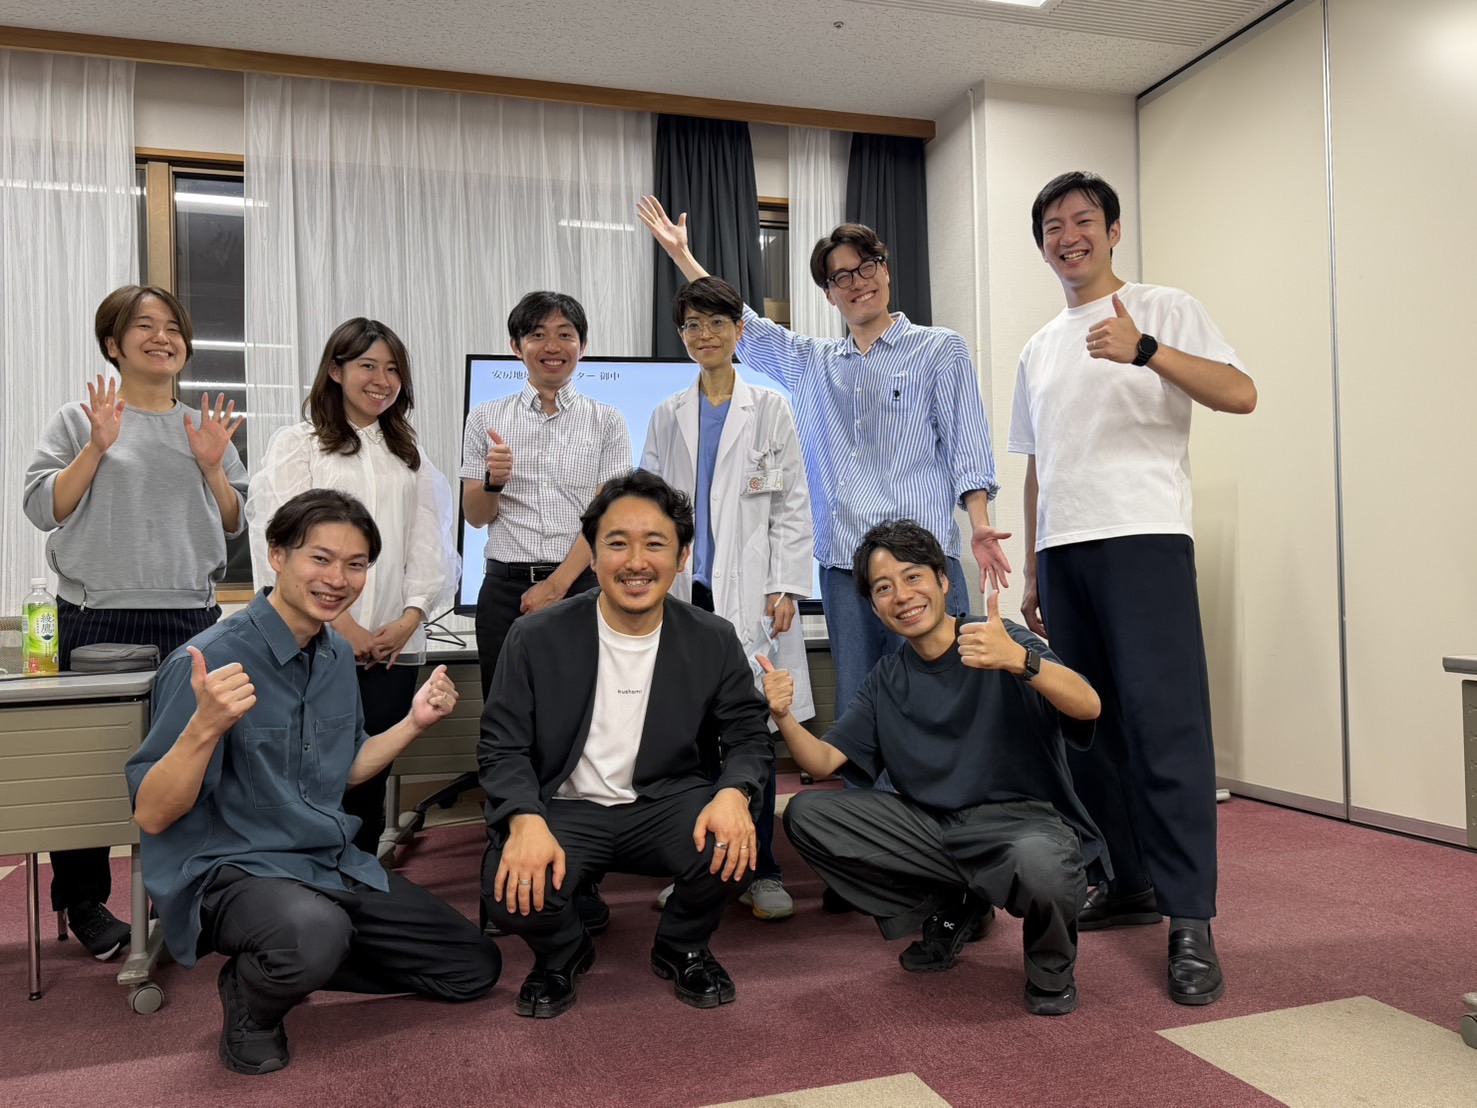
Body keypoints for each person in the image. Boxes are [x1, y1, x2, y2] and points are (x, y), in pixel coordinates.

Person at [125, 490, 501, 1076]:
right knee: (312, 935)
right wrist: (204, 728)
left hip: (322, 862)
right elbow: (152, 814)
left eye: (356, 564)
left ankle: (299, 956)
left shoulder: (333, 657)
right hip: (233, 870)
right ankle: (254, 998)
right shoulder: (209, 661)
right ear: (277, 555)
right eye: (320, 558)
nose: (338, 579)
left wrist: (414, 723)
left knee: (473, 967)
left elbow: (344, 769)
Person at [1010, 171, 1257, 1006]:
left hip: (1144, 539)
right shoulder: (1037, 348)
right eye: (1052, 225)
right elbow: (1039, 464)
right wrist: (1035, 566)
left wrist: (1145, 349)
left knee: (1165, 727)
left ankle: (1190, 918)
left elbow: (1240, 394)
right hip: (1065, 553)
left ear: (1112, 231)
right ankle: (1127, 882)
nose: (1067, 235)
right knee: (1089, 730)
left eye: (1082, 219)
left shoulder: (1163, 308)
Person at [638, 196, 1006, 719]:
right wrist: (683, 256)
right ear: (830, 295)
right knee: (861, 706)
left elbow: (967, 444)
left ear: (885, 269)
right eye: (841, 278)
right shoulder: (813, 362)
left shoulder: (940, 349)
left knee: (944, 700)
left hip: (921, 561)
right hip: (845, 567)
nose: (857, 283)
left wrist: (981, 524)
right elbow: (737, 322)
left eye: (866, 267)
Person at [760, 519, 1104, 1016]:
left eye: (912, 577)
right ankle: (950, 905)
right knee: (808, 815)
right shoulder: (886, 678)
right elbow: (822, 762)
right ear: (874, 606)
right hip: (935, 829)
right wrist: (783, 715)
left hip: (1023, 826)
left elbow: (1089, 705)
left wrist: (1020, 661)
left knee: (1043, 864)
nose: (901, 596)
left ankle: (1050, 964)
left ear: (943, 580)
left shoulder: (997, 638)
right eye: (883, 588)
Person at [478, 470, 773, 1019]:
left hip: (665, 803)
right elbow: (502, 747)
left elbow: (748, 736)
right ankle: (563, 951)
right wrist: (523, 818)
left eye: (655, 544)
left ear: (682, 557)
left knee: (733, 846)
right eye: (617, 544)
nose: (636, 562)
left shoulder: (712, 637)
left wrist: (733, 793)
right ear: (592, 556)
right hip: (565, 807)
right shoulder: (535, 637)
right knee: (506, 892)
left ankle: (682, 944)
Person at [22, 285, 247, 961]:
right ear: (113, 344)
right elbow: (43, 508)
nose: (162, 337)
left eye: (172, 326)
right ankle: (85, 901)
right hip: (96, 616)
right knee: (87, 767)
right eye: (144, 326)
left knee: (195, 762)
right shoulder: (79, 418)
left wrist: (213, 467)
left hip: (192, 617)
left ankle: (184, 895)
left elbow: (235, 522)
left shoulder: (203, 425)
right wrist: (96, 447)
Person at [247, 317, 459, 858]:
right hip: (314, 644)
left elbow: (428, 543)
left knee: (371, 772)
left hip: (391, 647)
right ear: (336, 371)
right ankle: (302, 877)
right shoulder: (300, 444)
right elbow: (280, 539)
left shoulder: (407, 452)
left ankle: (361, 876)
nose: (381, 380)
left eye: (392, 369)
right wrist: (343, 627)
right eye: (367, 365)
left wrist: (411, 618)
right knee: (310, 769)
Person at [640, 275, 814, 922]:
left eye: (717, 323)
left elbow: (792, 503)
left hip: (752, 593)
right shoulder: (666, 415)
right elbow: (652, 509)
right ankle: (698, 870)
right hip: (687, 593)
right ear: (681, 334)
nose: (704, 335)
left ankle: (761, 869)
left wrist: (785, 584)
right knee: (689, 740)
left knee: (749, 732)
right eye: (692, 325)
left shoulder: (770, 409)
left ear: (740, 331)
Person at [460, 291, 633, 931]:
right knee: (506, 729)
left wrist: (559, 585)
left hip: (580, 586)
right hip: (505, 588)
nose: (552, 346)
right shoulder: (488, 418)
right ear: (516, 347)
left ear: (582, 345)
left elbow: (607, 518)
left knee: (581, 728)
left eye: (565, 334)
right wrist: (493, 480)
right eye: (537, 335)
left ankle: (578, 872)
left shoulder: (607, 420)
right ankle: (507, 862)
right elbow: (476, 516)